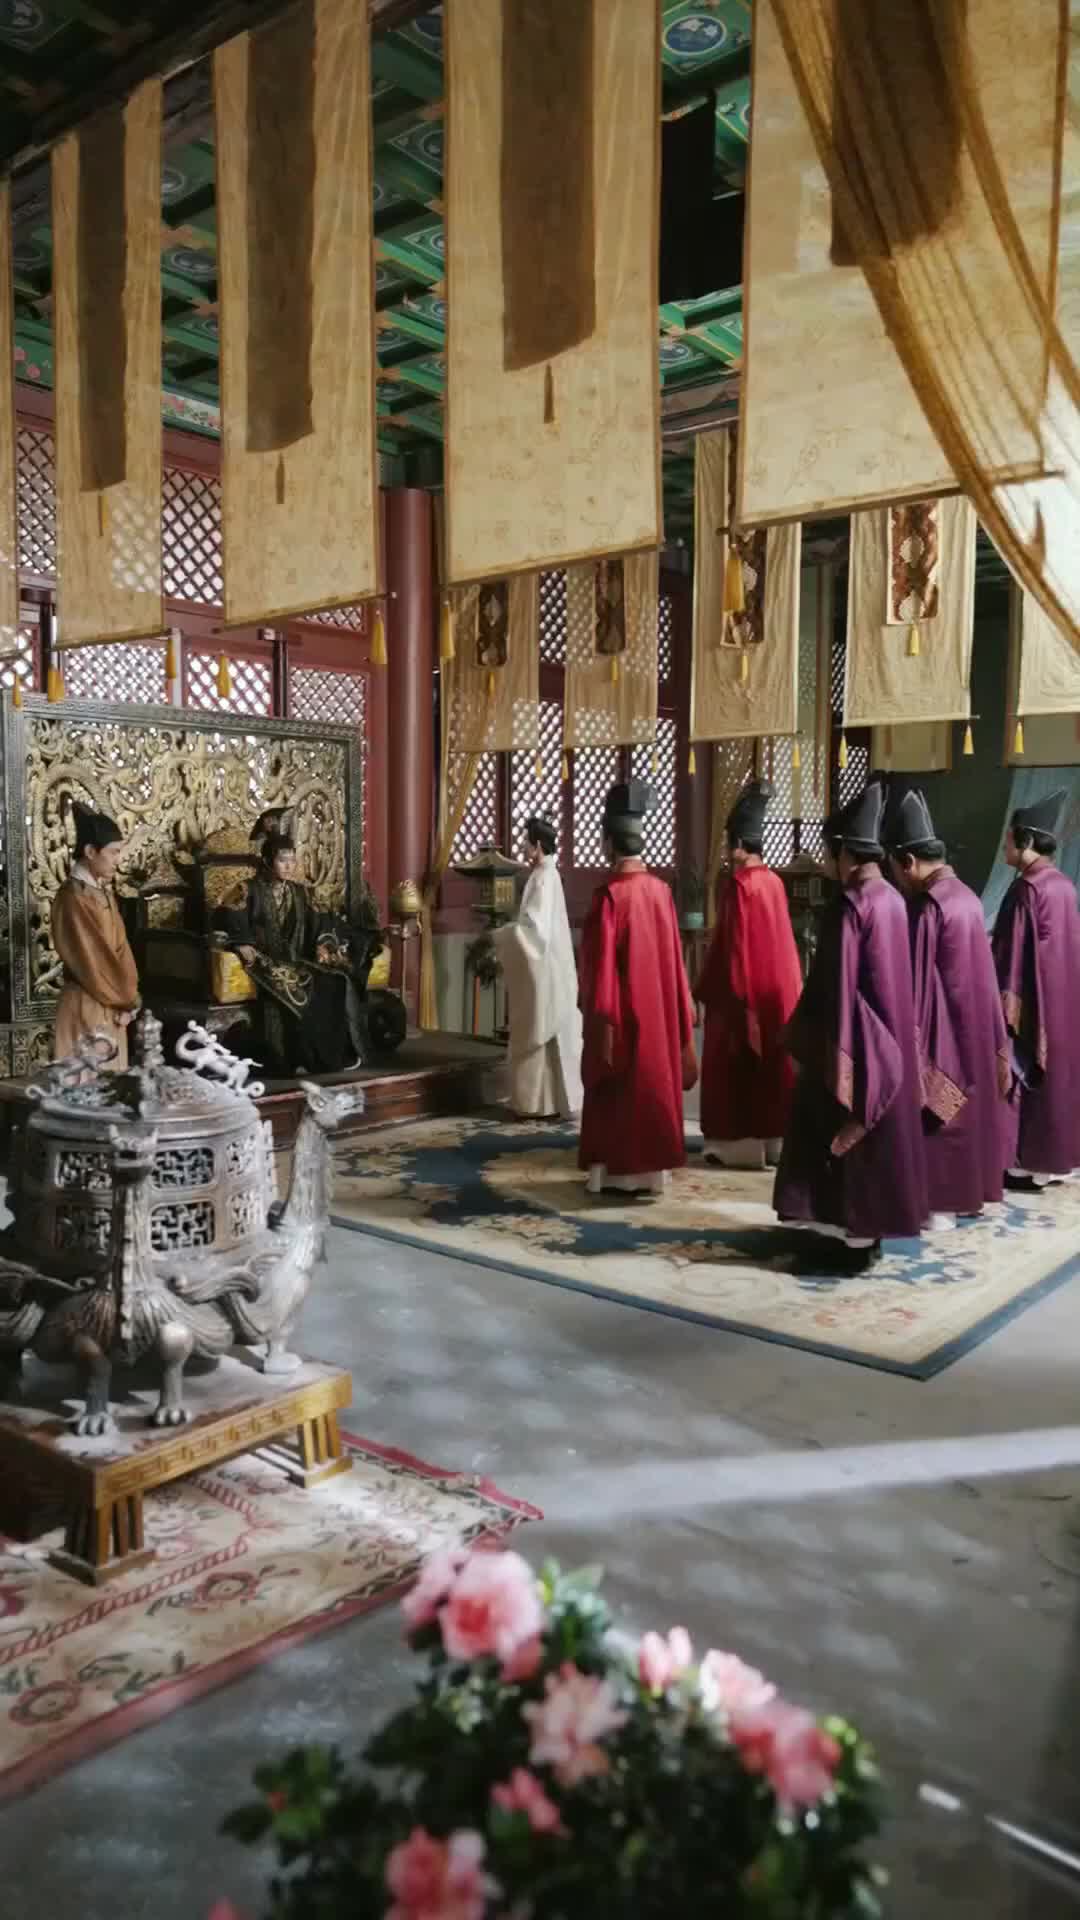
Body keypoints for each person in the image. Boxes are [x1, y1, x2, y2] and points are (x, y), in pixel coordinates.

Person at [773, 780, 926, 1266]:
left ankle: (844, 1239)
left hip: (851, 1042)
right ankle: (870, 1235)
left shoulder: (851, 905)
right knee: (880, 1149)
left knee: (836, 1140)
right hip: (890, 1043)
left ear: (844, 852)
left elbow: (835, 987)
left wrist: (819, 1048)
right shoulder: (894, 899)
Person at [885, 787, 1011, 1227]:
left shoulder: (929, 907)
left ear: (907, 862)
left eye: (896, 870)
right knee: (970, 1116)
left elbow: (915, 987)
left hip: (942, 1034)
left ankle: (938, 1204)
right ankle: (968, 1195)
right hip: (976, 1027)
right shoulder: (968, 897)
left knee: (939, 1118)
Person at [578, 780, 697, 1197]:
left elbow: (598, 970)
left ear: (609, 842)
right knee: (653, 1081)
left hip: (621, 1015)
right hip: (659, 1014)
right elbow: (676, 965)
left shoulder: (609, 896)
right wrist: (680, 1009)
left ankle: (615, 1172)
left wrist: (600, 1018)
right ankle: (653, 1172)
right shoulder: (662, 892)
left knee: (620, 1090)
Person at [694, 778, 802, 1170]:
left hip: (745, 995)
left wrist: (713, 993)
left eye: (728, 845)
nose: (727, 854)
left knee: (735, 1071)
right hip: (778, 995)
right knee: (772, 1072)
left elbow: (734, 952)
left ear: (738, 844)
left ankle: (736, 1146)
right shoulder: (773, 882)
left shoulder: (740, 885)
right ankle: (773, 1143)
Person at [226, 823, 370, 1076]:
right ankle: (289, 1058)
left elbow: (322, 920)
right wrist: (242, 942)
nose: (289, 866)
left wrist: (324, 945)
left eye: (292, 860)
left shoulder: (300, 892)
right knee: (295, 988)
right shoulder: (247, 889)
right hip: (263, 959)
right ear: (268, 861)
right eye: (283, 860)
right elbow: (228, 915)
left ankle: (328, 1056)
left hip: (294, 958)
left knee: (335, 981)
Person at [991, 788, 1080, 1188]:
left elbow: (1009, 956)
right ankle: (1057, 1161)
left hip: (1031, 999)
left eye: (1008, 840)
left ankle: (1024, 1164)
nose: (1004, 848)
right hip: (1063, 999)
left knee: (1024, 1073)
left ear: (1025, 841)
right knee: (1060, 1080)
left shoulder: (1026, 889)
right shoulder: (1063, 885)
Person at [492, 815, 583, 1119]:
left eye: (527, 843)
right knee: (546, 1033)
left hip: (543, 967)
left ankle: (534, 1104)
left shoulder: (544, 878)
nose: (524, 848)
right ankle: (547, 1103)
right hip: (550, 966)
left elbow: (535, 931)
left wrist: (505, 934)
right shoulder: (548, 874)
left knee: (537, 1029)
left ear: (539, 846)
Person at [51, 804, 140, 1069]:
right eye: (113, 852)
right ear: (91, 852)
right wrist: (126, 999)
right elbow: (94, 959)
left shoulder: (102, 893)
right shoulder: (73, 897)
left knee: (112, 1085)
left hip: (112, 1002)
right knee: (88, 1086)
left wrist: (128, 998)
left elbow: (121, 949)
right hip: (88, 1002)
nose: (118, 860)